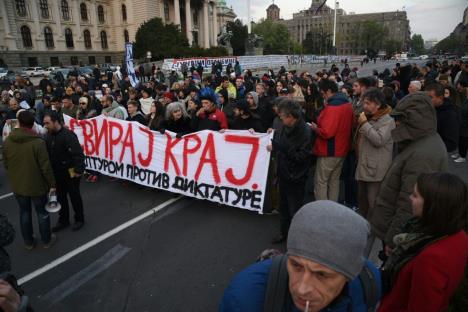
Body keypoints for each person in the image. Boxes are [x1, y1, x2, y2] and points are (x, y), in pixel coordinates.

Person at [220, 201, 381, 312]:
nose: (302, 289)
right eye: (296, 265)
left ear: (350, 274)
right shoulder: (244, 298)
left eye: (322, 274)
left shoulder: (369, 283)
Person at [370, 92, 448, 257]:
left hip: (399, 234)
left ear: (415, 120)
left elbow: (408, 204)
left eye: (401, 119)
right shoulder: (422, 143)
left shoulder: (423, 154)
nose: (396, 123)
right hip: (396, 227)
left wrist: (394, 239)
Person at [379, 172, 468, 312]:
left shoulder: (431, 258)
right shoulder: (458, 235)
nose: (410, 198)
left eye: (415, 195)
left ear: (433, 205)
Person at [3, 111, 56, 249]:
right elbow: (46, 167)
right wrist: (52, 184)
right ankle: (46, 240)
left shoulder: (8, 140)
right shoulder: (38, 142)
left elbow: (6, 164)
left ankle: (28, 242)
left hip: (18, 185)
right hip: (37, 185)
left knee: (24, 213)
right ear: (33, 124)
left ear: (19, 123)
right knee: (42, 212)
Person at [268, 99, 312, 243]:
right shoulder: (282, 127)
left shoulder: (306, 132)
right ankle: (284, 233)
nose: (279, 119)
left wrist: (284, 149)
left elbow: (302, 158)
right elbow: (280, 143)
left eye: (282, 116)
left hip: (296, 177)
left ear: (291, 117)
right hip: (283, 174)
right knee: (284, 208)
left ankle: (296, 240)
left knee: (295, 211)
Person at [355, 88, 395, 220]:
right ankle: (363, 225)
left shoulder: (387, 120)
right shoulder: (368, 116)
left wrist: (365, 124)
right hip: (363, 165)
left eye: (367, 103)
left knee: (373, 202)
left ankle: (374, 229)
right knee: (362, 200)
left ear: (377, 104)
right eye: (364, 102)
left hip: (375, 170)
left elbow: (379, 140)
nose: (364, 106)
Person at [311, 79, 354, 201]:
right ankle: (332, 208)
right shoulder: (347, 104)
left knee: (321, 182)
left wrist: (315, 128)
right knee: (334, 181)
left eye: (323, 93)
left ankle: (322, 210)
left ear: (329, 91)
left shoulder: (333, 108)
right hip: (342, 149)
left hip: (329, 150)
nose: (322, 95)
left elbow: (327, 132)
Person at [44, 112, 86, 232]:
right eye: (44, 123)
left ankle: (79, 219)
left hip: (71, 172)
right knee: (61, 198)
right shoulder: (48, 136)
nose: (45, 125)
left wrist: (79, 170)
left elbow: (78, 154)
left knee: (74, 196)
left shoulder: (68, 135)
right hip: (57, 173)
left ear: (56, 122)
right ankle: (63, 220)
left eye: (48, 123)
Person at [426, 83, 460, 154]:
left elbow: (451, 144)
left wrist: (429, 147)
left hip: (434, 154)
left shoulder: (450, 115)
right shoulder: (432, 107)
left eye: (430, 97)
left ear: (441, 97)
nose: (427, 100)